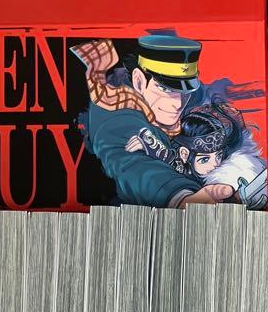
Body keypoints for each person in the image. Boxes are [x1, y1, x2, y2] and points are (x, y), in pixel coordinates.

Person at [73, 33, 254, 208]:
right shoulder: (115, 115)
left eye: (183, 91)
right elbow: (134, 166)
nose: (177, 103)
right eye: (165, 89)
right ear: (139, 81)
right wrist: (179, 197)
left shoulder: (192, 94)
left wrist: (233, 175)